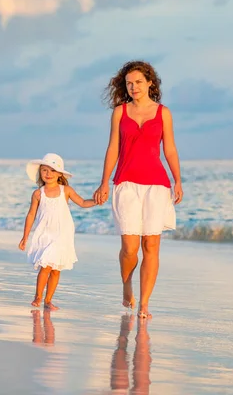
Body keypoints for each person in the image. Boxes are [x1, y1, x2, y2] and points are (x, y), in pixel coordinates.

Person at [93, 60, 183, 319]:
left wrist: (177, 180)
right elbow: (113, 148)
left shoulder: (163, 113)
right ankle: (127, 285)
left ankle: (144, 304)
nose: (133, 87)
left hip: (157, 185)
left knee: (151, 245)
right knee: (130, 248)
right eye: (129, 83)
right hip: (126, 184)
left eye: (139, 82)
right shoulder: (120, 112)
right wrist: (104, 182)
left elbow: (170, 149)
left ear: (150, 83)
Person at [19, 153, 97, 310]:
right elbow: (31, 215)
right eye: (45, 170)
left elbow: (82, 202)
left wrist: (96, 201)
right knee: (45, 265)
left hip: (62, 234)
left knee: (55, 269)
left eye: (53, 171)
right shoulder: (38, 193)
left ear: (60, 174)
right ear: (40, 172)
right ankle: (38, 296)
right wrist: (25, 237)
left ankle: (48, 300)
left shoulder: (65, 190)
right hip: (45, 234)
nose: (48, 174)